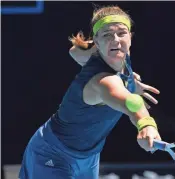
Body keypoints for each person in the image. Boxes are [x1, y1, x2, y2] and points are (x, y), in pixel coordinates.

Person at [19, 5, 162, 179]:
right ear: (96, 40)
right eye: (107, 35)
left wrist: (128, 82)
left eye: (121, 33)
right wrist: (146, 124)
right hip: (52, 153)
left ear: (131, 37)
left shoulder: (113, 60)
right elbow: (130, 102)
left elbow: (74, 52)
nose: (116, 39)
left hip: (89, 157)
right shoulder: (103, 82)